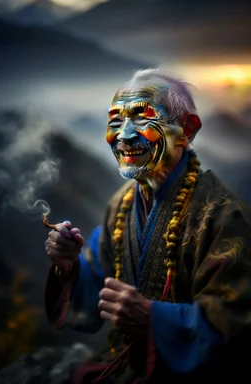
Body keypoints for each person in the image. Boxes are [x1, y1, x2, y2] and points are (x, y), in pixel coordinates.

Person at [44, 68, 251, 383]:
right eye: (115, 121)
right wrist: (68, 266)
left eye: (143, 118)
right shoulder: (121, 205)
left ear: (186, 129)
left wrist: (156, 319)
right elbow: (98, 282)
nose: (125, 135)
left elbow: (237, 322)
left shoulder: (223, 216)